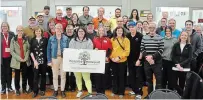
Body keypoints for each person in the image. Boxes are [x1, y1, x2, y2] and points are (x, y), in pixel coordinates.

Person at [137, 23, 164, 94]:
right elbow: (142, 48)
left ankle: (157, 96)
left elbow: (161, 49)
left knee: (159, 80)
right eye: (150, 28)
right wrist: (148, 58)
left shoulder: (160, 38)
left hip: (157, 62)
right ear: (148, 28)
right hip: (147, 62)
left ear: (156, 29)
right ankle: (150, 95)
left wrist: (152, 57)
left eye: (153, 28)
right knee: (149, 80)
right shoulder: (144, 37)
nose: (152, 29)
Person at [69, 27, 93, 98]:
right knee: (78, 78)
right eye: (79, 31)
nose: (81, 33)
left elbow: (90, 51)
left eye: (82, 31)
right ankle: (80, 91)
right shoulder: (73, 40)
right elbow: (71, 50)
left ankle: (90, 92)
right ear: (77, 33)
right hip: (76, 63)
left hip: (85, 63)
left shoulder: (89, 41)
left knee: (87, 78)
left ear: (85, 32)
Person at [47, 23, 69, 98]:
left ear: (62, 29)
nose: (59, 29)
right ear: (54, 29)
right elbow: (48, 50)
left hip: (63, 59)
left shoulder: (66, 38)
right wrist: (49, 61)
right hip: (54, 58)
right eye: (57, 28)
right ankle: (56, 90)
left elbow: (69, 50)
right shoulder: (51, 38)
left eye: (60, 28)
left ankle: (62, 90)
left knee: (63, 75)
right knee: (55, 75)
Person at [10, 25, 31, 96]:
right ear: (16, 31)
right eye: (18, 30)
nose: (20, 32)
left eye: (21, 30)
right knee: (17, 76)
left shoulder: (25, 38)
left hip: (25, 60)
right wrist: (19, 58)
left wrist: (25, 58)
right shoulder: (13, 39)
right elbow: (12, 51)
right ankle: (17, 89)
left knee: (25, 75)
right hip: (17, 61)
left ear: (23, 31)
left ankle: (24, 88)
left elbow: (28, 49)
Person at [110, 27, 130, 98]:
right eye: (118, 31)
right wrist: (112, 58)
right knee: (115, 77)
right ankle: (115, 91)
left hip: (122, 61)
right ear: (115, 32)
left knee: (122, 77)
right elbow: (110, 50)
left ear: (123, 32)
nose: (119, 32)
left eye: (121, 31)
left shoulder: (126, 40)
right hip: (113, 61)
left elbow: (127, 51)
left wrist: (119, 57)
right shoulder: (112, 39)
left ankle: (121, 92)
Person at [92, 26, 112, 94]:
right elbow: (92, 48)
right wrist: (94, 50)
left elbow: (110, 49)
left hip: (105, 61)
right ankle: (98, 91)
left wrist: (107, 57)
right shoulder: (95, 39)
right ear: (98, 31)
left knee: (104, 76)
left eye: (102, 30)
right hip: (97, 61)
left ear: (104, 32)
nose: (101, 32)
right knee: (97, 76)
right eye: (100, 30)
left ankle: (103, 92)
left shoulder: (108, 39)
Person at [126, 21, 143, 98]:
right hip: (129, 59)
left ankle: (139, 92)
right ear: (128, 28)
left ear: (136, 27)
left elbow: (142, 49)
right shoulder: (127, 36)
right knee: (131, 76)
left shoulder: (140, 36)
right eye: (130, 27)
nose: (131, 28)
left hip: (138, 59)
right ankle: (134, 89)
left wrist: (139, 60)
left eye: (133, 27)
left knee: (138, 76)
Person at [30, 26, 48, 98]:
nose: (38, 32)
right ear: (34, 32)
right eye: (37, 31)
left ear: (41, 32)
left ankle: (42, 89)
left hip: (43, 61)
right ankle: (35, 91)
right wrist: (34, 61)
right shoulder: (32, 40)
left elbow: (47, 50)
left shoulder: (45, 39)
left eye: (39, 31)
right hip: (35, 61)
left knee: (43, 75)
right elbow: (31, 51)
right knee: (35, 76)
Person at [1, 22, 15, 94]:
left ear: (8, 27)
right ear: (1, 27)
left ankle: (9, 87)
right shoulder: (0, 35)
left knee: (9, 72)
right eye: (3, 26)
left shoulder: (12, 34)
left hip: (10, 57)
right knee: (2, 73)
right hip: (2, 58)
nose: (4, 27)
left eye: (5, 26)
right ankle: (3, 88)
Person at [64, 24, 76, 92]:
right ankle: (66, 86)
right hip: (65, 57)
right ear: (66, 30)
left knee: (73, 73)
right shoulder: (63, 36)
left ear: (73, 30)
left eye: (71, 29)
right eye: (68, 30)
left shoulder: (76, 36)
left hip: (74, 57)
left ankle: (73, 87)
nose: (69, 31)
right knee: (65, 72)